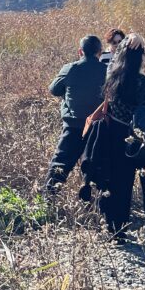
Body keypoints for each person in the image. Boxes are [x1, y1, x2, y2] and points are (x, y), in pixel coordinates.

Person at [81, 33, 145, 237]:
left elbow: (116, 59)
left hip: (116, 134)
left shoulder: (111, 78)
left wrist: (130, 42)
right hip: (142, 139)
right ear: (141, 58)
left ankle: (115, 230)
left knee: (118, 185)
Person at [44, 35, 106, 194]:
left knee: (60, 164)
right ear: (100, 52)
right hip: (97, 128)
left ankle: (48, 199)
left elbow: (54, 90)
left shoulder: (69, 68)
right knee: (96, 167)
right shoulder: (107, 71)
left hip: (73, 125)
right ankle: (95, 204)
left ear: (80, 51)